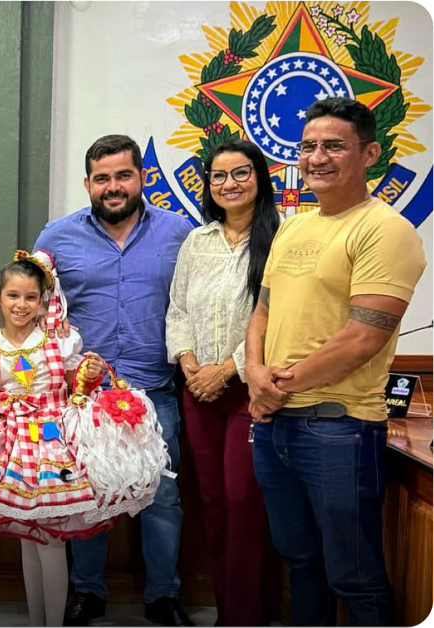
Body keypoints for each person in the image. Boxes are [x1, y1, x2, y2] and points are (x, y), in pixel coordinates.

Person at [0, 250, 170, 626]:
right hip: (13, 449)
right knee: (29, 542)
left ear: (42, 301)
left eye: (30, 297)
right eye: (13, 296)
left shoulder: (61, 342)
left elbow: (74, 388)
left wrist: (89, 374)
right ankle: (38, 621)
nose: (21, 305)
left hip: (53, 443)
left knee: (51, 540)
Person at [245, 97, 426, 627]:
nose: (317, 157)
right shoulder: (294, 226)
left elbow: (361, 339)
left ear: (369, 153)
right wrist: (256, 375)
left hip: (338, 427)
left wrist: (277, 386)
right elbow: (262, 312)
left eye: (333, 146)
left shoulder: (386, 230)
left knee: (355, 576)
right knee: (299, 562)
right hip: (274, 425)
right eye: (308, 146)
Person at [34, 134, 195, 627]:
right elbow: (33, 309)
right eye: (102, 178)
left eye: (123, 175)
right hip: (83, 395)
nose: (113, 186)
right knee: (88, 496)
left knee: (161, 496)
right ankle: (88, 592)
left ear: (141, 178)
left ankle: (163, 596)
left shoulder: (180, 233)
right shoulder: (56, 238)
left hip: (156, 390)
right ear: (87, 183)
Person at [165, 139, 280, 626]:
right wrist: (190, 364)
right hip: (198, 392)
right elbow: (178, 309)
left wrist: (227, 369)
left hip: (248, 393)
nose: (229, 184)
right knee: (211, 502)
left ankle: (248, 615)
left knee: (243, 502)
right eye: (218, 176)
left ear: (259, 178)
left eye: (240, 173)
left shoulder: (280, 239)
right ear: (207, 185)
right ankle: (227, 610)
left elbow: (277, 317)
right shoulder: (198, 241)